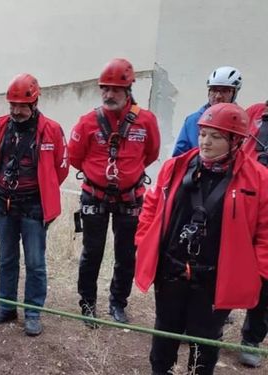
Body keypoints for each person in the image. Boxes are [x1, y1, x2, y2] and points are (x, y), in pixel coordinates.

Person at [135, 103, 268, 375]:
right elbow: (151, 206)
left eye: (216, 136)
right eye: (203, 133)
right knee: (164, 339)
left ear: (236, 141)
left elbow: (265, 233)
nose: (206, 142)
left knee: (204, 349)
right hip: (171, 271)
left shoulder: (258, 180)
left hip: (216, 278)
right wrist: (143, 240)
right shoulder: (175, 167)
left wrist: (255, 273)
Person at [68, 58, 160, 326]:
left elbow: (151, 153)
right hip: (94, 196)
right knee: (91, 252)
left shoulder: (146, 121)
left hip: (130, 198)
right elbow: (75, 157)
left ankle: (118, 303)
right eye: (104, 89)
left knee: (126, 254)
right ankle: (87, 305)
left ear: (129, 89)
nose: (109, 95)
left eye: (115, 90)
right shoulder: (88, 122)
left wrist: (128, 176)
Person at [0, 73, 69, 336]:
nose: (16, 111)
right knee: (6, 259)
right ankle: (6, 307)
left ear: (34, 103)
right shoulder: (1, 127)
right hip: (3, 204)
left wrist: (43, 190)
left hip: (33, 206)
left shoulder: (51, 129)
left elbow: (60, 169)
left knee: (35, 262)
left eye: (21, 106)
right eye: (12, 105)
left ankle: (32, 312)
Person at [237, 100, 268, 368]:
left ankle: (252, 339)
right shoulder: (256, 112)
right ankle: (209, 326)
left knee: (265, 276)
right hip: (246, 197)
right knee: (221, 261)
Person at [172, 66, 242, 157]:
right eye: (214, 90)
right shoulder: (193, 120)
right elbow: (179, 157)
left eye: (225, 91)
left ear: (234, 93)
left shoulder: (242, 122)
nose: (218, 96)